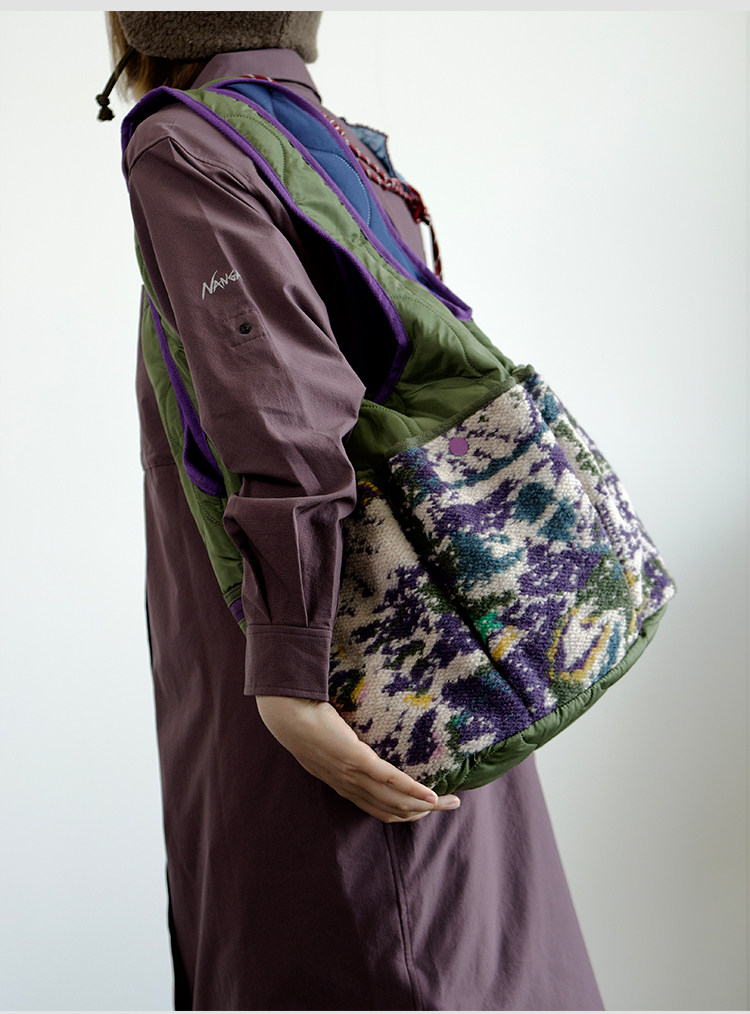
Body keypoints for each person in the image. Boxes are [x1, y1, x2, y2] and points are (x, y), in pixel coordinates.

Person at [101, 11, 605, 1011]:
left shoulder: (184, 144)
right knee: (475, 949)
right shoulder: (318, 137)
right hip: (427, 660)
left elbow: (283, 412)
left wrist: (291, 681)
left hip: (323, 676)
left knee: (361, 949)